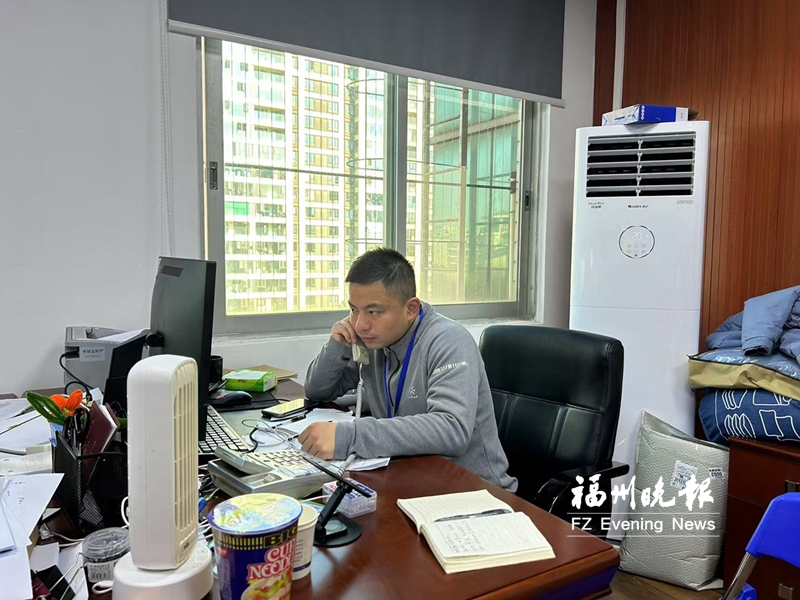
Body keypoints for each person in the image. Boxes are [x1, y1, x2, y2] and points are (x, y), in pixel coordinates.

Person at [299, 248, 517, 491]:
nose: (360, 325)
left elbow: (452, 429)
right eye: (353, 310)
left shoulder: (449, 340)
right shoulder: (374, 339)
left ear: (411, 308)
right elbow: (318, 391)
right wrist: (338, 345)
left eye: (373, 312)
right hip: (408, 478)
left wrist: (350, 436)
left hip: (474, 490)